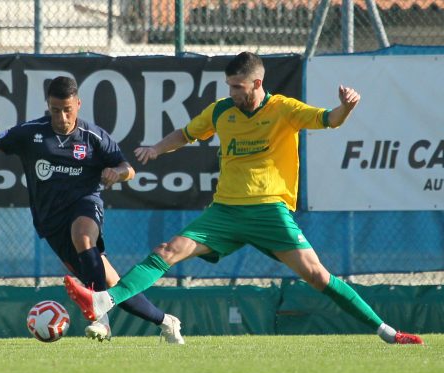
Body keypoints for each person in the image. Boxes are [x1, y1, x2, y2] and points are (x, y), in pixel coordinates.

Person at [64, 52, 424, 345]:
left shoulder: (283, 109)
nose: (233, 92)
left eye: (238, 86)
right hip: (225, 213)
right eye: (230, 86)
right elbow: (187, 133)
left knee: (317, 276)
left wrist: (346, 107)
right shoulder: (222, 111)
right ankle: (102, 300)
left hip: (270, 212)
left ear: (258, 83)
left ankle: (387, 332)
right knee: (166, 251)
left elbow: (329, 119)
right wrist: (157, 149)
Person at [0, 76, 184, 344]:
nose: (62, 117)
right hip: (51, 222)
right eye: (55, 110)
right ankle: (166, 322)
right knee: (114, 285)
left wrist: (117, 173)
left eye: (67, 110)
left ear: (78, 104)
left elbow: (129, 169)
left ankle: (100, 319)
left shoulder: (94, 137)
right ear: (48, 106)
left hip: (85, 204)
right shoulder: (31, 133)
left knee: (84, 236)